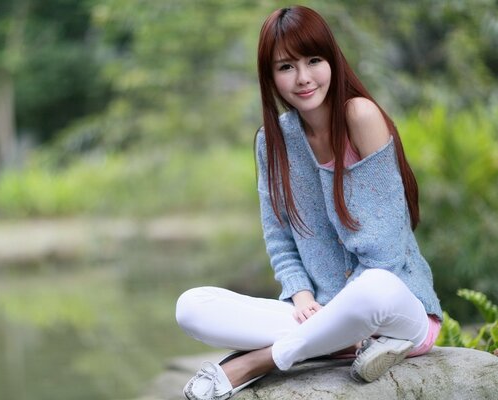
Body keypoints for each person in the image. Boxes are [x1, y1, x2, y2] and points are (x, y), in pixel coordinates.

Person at [176, 5, 443, 400]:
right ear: (270, 77)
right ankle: (330, 342)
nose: (303, 78)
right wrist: (300, 295)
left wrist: (338, 311)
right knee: (192, 307)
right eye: (286, 67)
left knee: (374, 288)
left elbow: (386, 251)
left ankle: (261, 360)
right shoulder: (273, 143)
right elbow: (279, 238)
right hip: (320, 315)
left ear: (331, 60)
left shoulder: (361, 116)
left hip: (393, 307)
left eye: (313, 61)